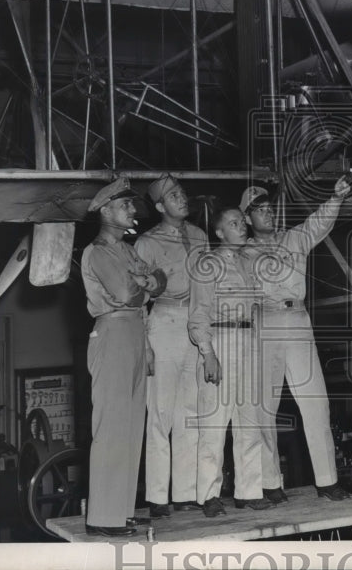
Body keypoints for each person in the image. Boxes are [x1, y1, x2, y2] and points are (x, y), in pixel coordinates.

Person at [239, 177, 352, 504]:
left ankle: (328, 481)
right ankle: (270, 483)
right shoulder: (241, 253)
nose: (267, 213)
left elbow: (319, 222)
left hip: (298, 320)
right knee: (265, 407)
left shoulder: (294, 238)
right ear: (247, 218)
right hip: (264, 322)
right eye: (259, 210)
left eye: (269, 207)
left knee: (316, 401)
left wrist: (336, 197)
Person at [81, 177, 167, 537]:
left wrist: (147, 283)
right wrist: (146, 284)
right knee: (111, 426)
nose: (133, 210)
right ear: (106, 210)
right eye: (125, 204)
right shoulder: (98, 251)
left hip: (134, 332)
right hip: (112, 332)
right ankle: (103, 516)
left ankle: (122, 511)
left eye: (131, 204)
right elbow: (125, 293)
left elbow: (160, 281)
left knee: (132, 426)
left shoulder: (128, 250)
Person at [187, 207, 274, 517]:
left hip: (248, 340)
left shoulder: (248, 262)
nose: (242, 227)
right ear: (219, 232)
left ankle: (249, 491)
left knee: (250, 422)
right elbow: (198, 313)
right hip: (220, 340)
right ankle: (209, 495)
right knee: (213, 424)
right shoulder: (208, 264)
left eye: (242, 222)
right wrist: (208, 353)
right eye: (233, 223)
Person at [135, 174, 208, 518]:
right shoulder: (147, 243)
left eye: (182, 192)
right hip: (163, 322)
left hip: (195, 322)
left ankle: (185, 492)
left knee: (190, 412)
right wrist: (145, 346)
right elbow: (137, 299)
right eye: (174, 195)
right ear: (160, 206)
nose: (182, 198)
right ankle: (157, 497)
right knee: (160, 413)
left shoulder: (200, 236)